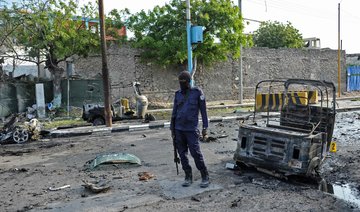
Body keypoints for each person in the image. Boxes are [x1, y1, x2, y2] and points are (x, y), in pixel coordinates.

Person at [170, 71, 210, 188]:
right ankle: (188, 175)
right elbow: (174, 112)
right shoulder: (177, 94)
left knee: (195, 153)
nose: (182, 85)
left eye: (184, 82)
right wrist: (172, 129)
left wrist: (205, 127)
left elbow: (203, 112)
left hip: (191, 129)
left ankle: (204, 175)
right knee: (182, 154)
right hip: (178, 129)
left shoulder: (197, 93)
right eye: (180, 83)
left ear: (189, 82)